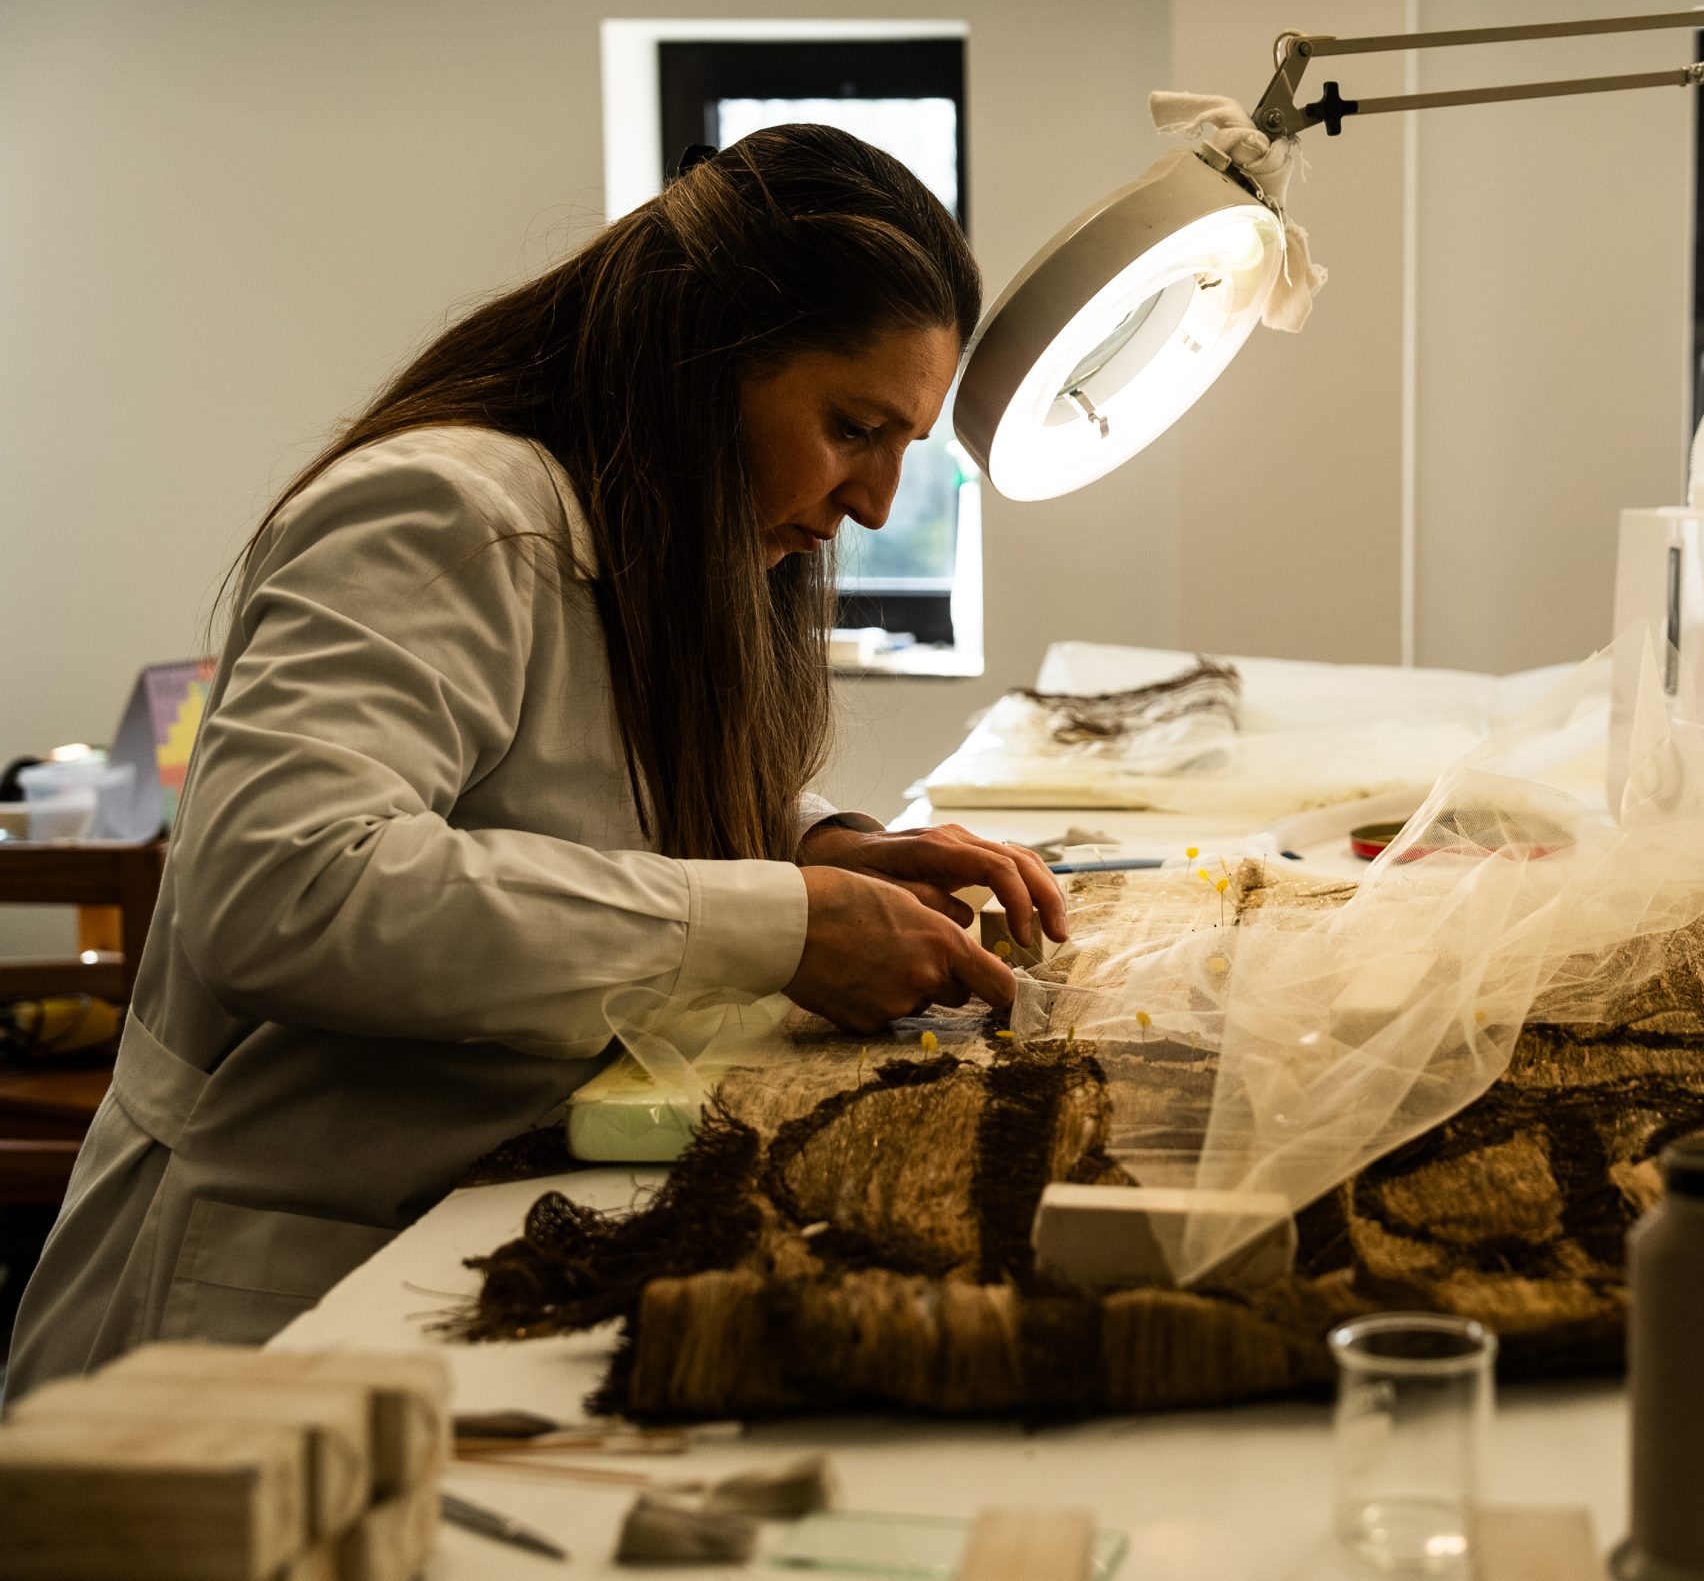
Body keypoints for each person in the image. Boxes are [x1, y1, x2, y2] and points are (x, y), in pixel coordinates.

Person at [5, 126, 1063, 1397]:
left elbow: (568, 775)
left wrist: (816, 844)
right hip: (263, 1290)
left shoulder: (651, 529)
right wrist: (781, 922)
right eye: (852, 428)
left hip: (461, 1228)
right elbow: (285, 890)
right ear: (705, 360)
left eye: (902, 447)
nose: (876, 504)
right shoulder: (444, 512)